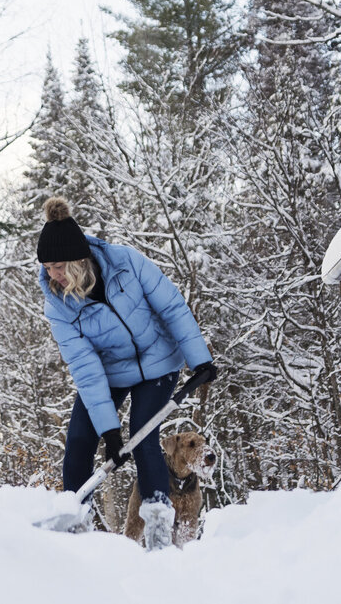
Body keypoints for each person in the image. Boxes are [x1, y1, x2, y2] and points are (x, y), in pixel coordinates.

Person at [36, 196, 216, 548]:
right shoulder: (58, 304)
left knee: (144, 433)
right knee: (79, 437)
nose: (52, 274)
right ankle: (73, 524)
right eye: (46, 267)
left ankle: (159, 530)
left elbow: (172, 306)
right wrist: (109, 432)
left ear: (78, 260)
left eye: (58, 266)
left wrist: (200, 360)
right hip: (109, 372)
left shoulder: (126, 262)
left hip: (158, 362)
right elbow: (85, 369)